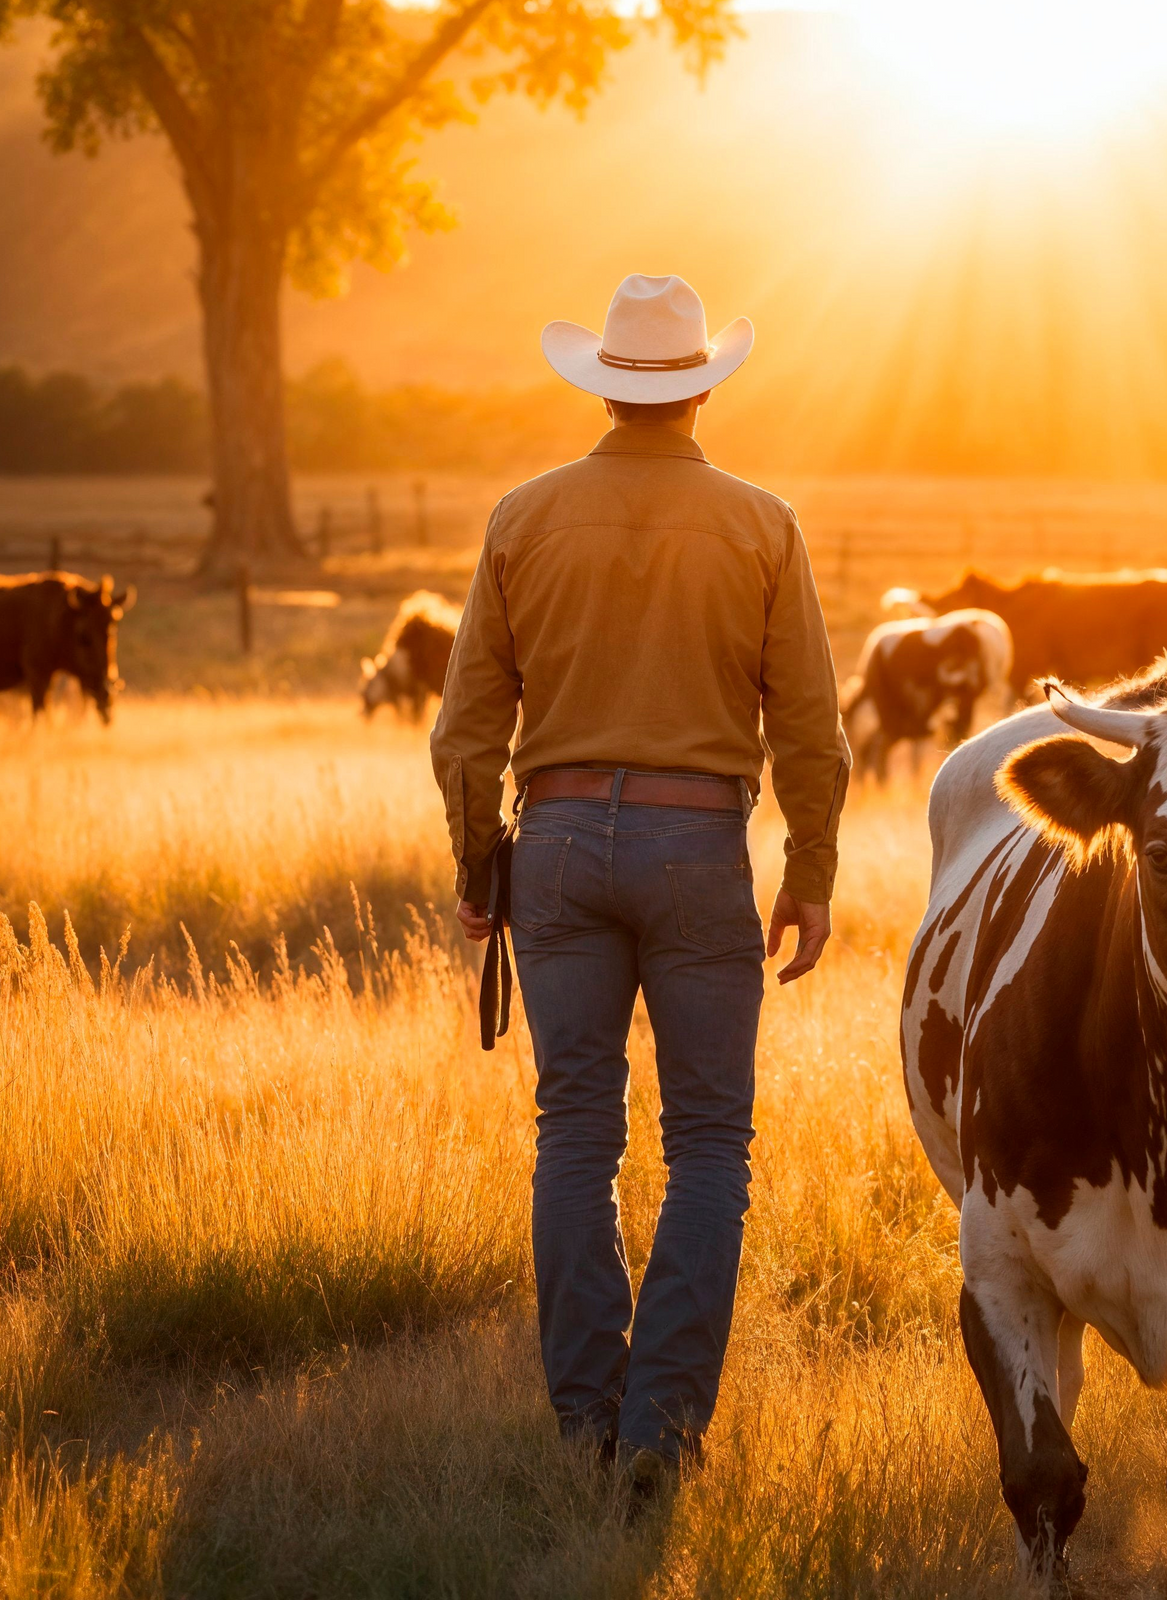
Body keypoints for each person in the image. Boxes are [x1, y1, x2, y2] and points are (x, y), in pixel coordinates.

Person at [430, 273, 848, 1501]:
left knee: (575, 1130)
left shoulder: (522, 514)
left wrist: (477, 864)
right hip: (694, 845)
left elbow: (467, 729)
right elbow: (810, 728)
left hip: (551, 844)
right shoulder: (762, 523)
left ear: (603, 383)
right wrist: (808, 873)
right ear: (706, 383)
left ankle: (582, 1427)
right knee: (711, 1140)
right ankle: (662, 1436)